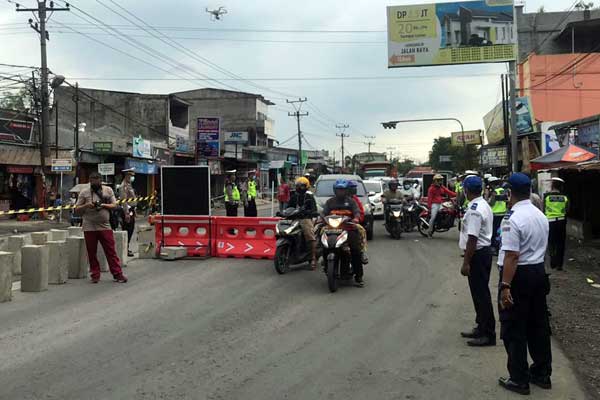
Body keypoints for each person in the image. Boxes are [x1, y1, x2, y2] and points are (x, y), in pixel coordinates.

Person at [497, 173, 551, 395]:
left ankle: (518, 379)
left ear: (510, 192)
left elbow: (512, 256)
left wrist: (505, 286)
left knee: (514, 327)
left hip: (519, 276)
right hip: (538, 272)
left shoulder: (512, 218)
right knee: (538, 326)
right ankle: (542, 373)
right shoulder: (540, 215)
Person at [459, 175, 495, 347]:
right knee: (479, 293)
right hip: (484, 253)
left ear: (466, 190)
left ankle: (488, 333)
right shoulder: (483, 204)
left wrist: (466, 262)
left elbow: (472, 239)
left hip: (478, 255)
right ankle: (481, 327)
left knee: (481, 295)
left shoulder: (474, 209)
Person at [75, 172, 128, 284]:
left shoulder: (108, 190)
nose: (95, 182)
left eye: (97, 180)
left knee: (111, 251)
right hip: (89, 225)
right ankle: (95, 274)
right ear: (90, 181)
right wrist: (86, 205)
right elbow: (76, 209)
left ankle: (117, 274)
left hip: (104, 225)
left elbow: (114, 205)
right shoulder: (84, 192)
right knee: (91, 252)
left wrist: (103, 205)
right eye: (92, 180)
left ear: (100, 180)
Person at [321, 179, 364, 287]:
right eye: (339, 190)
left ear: (346, 191)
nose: (341, 192)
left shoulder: (351, 201)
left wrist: (356, 218)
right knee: (323, 245)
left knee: (355, 250)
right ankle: (324, 263)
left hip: (348, 228)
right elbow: (324, 213)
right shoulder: (330, 202)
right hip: (331, 229)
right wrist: (320, 218)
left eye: (343, 190)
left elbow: (357, 212)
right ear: (335, 190)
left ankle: (359, 277)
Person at [287, 177, 318, 269]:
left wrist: (309, 212)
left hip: (305, 219)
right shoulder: (294, 197)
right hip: (294, 219)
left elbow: (314, 209)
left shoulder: (309, 197)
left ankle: (313, 258)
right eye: (298, 186)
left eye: (302, 186)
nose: (299, 188)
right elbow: (289, 207)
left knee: (309, 235)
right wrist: (283, 212)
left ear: (306, 187)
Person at [544, 177, 568, 270]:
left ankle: (553, 262)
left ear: (552, 185)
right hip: (561, 221)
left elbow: (543, 208)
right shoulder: (564, 196)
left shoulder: (547, 196)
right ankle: (559, 264)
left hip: (550, 222)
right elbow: (567, 209)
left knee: (551, 242)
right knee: (560, 243)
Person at [348, 180, 369, 265]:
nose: (354, 189)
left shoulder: (355, 199)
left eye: (354, 188)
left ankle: (362, 252)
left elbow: (361, 212)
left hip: (351, 224)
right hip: (338, 223)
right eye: (352, 188)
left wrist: (357, 219)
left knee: (362, 231)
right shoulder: (335, 200)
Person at [119, 168, 137, 257]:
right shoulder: (124, 186)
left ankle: (126, 247)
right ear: (126, 175)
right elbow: (124, 201)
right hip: (127, 211)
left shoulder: (129, 185)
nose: (132, 177)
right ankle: (125, 249)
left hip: (131, 210)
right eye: (130, 175)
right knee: (127, 229)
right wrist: (126, 213)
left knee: (131, 229)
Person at [487, 177, 508, 253]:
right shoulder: (503, 190)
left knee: (494, 231)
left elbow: (491, 203)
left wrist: (487, 200)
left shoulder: (495, 192)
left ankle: (493, 247)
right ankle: (500, 246)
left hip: (495, 214)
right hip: (503, 213)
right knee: (500, 231)